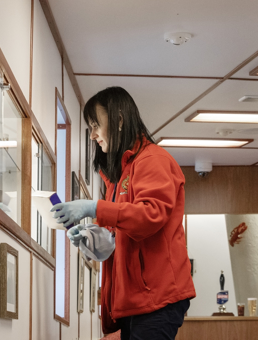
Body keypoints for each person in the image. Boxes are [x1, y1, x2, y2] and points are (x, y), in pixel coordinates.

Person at [52, 86, 196, 340]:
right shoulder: (118, 176)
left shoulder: (153, 160)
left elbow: (150, 216)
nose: (93, 135)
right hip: (134, 302)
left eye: (96, 125)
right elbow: (116, 235)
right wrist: (89, 239)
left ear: (118, 120)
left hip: (156, 298)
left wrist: (94, 207)